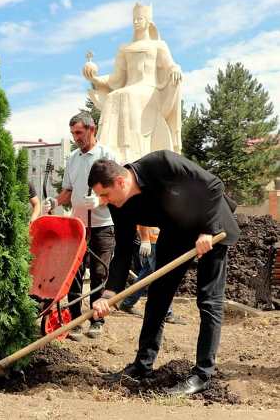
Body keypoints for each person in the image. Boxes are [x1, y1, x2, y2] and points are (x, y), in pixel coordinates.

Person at [88, 150, 240, 396]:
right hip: (176, 231)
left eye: (104, 194)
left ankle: (203, 374)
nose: (103, 201)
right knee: (158, 296)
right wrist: (108, 293)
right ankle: (142, 365)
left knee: (208, 300)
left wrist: (207, 231)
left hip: (211, 224)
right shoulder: (120, 204)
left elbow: (213, 185)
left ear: (120, 181)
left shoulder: (162, 164)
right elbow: (124, 249)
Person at [42, 111, 116, 340]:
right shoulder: (73, 158)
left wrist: (100, 200)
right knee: (74, 273)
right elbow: (68, 191)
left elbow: (117, 189)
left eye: (79, 133)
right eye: (73, 133)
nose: (76, 137)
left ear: (92, 129)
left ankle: (96, 320)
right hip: (77, 226)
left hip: (103, 224)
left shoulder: (106, 154)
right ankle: (74, 320)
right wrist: (55, 200)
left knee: (99, 272)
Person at [83, 3, 182, 164]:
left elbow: (171, 65)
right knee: (115, 95)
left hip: (149, 91)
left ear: (148, 21)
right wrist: (94, 79)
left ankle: (134, 153)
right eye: (134, 19)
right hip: (129, 89)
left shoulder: (158, 45)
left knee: (126, 94)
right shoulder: (125, 48)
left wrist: (176, 69)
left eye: (140, 19)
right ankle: (110, 154)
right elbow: (116, 79)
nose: (136, 22)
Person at [120, 226, 185, 325]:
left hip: (159, 239)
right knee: (163, 277)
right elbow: (143, 217)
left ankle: (127, 303)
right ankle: (167, 313)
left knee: (147, 274)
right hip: (154, 240)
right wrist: (145, 240)